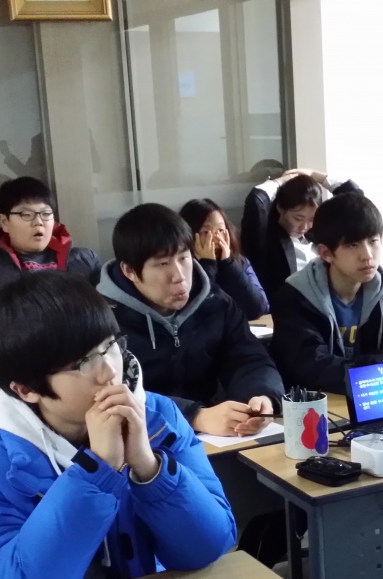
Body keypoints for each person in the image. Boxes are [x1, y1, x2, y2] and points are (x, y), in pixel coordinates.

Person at [0, 272, 236, 579]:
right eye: (84, 362)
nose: (110, 372)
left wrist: (149, 468)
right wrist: (99, 471)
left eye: (111, 346)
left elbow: (209, 545)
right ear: (26, 389)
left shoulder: (157, 416)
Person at [98, 204, 283, 437]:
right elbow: (109, 396)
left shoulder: (215, 302)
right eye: (162, 264)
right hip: (138, 441)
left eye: (184, 258)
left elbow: (249, 359)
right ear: (130, 271)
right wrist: (194, 416)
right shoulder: (101, 320)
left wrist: (261, 396)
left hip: (214, 436)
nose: (179, 277)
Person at [269, 193, 383, 394]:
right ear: (326, 253)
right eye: (353, 245)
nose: (367, 255)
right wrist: (381, 369)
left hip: (377, 399)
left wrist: (357, 373)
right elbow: (310, 368)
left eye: (373, 240)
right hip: (318, 405)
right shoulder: (294, 297)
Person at [0, 177, 102, 310]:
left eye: (46, 214)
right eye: (26, 215)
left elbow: (106, 315)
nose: (38, 222)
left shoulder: (85, 260)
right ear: (4, 222)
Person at [240, 168, 362, 299]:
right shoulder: (264, 238)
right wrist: (282, 181)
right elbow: (255, 200)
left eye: (311, 219)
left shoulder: (319, 233)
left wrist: (315, 175)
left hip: (330, 304)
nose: (305, 227)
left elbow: (357, 202)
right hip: (290, 308)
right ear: (280, 207)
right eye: (298, 218)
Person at [179, 198, 269, 320]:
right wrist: (207, 264)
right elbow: (199, 315)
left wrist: (228, 264)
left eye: (220, 230)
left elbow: (259, 308)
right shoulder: (179, 268)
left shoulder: (239, 261)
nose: (215, 237)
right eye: (205, 232)